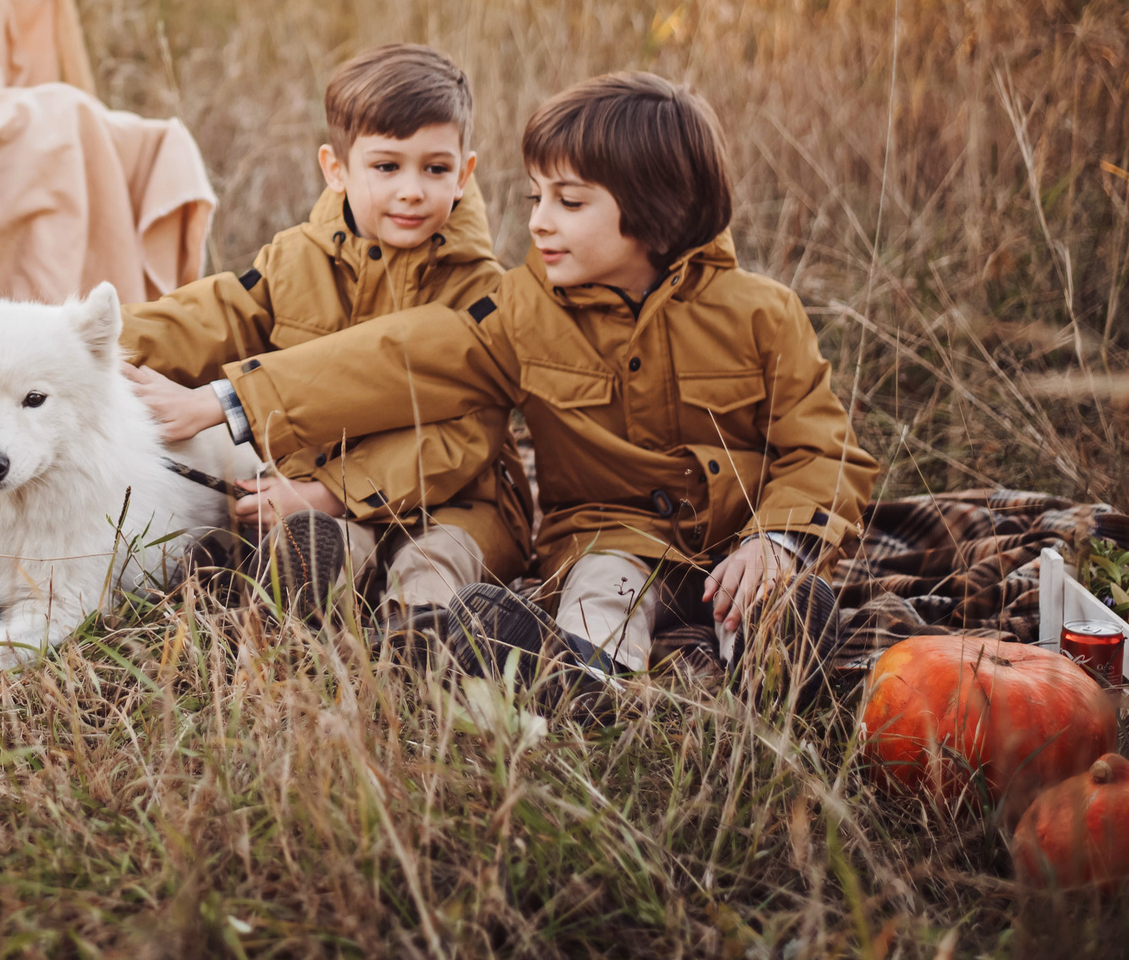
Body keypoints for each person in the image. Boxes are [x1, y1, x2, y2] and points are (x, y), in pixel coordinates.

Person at [131, 71, 876, 696]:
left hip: (739, 536)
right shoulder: (523, 310)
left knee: (763, 595)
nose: (541, 224)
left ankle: (771, 660)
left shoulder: (762, 314)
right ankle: (584, 686)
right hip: (607, 536)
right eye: (536, 199)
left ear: (659, 213)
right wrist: (229, 400)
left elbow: (822, 449)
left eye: (570, 202)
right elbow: (399, 357)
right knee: (602, 589)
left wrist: (778, 540)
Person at [118, 44, 532, 637]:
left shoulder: (482, 289)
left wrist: (332, 492)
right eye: (387, 167)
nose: (412, 190)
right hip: (315, 491)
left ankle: (419, 640)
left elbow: (466, 439)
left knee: (431, 560)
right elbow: (211, 314)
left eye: (435, 169)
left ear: (464, 174)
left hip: (458, 501)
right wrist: (86, 341)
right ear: (336, 169)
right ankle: (280, 587)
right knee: (324, 544)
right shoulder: (296, 259)